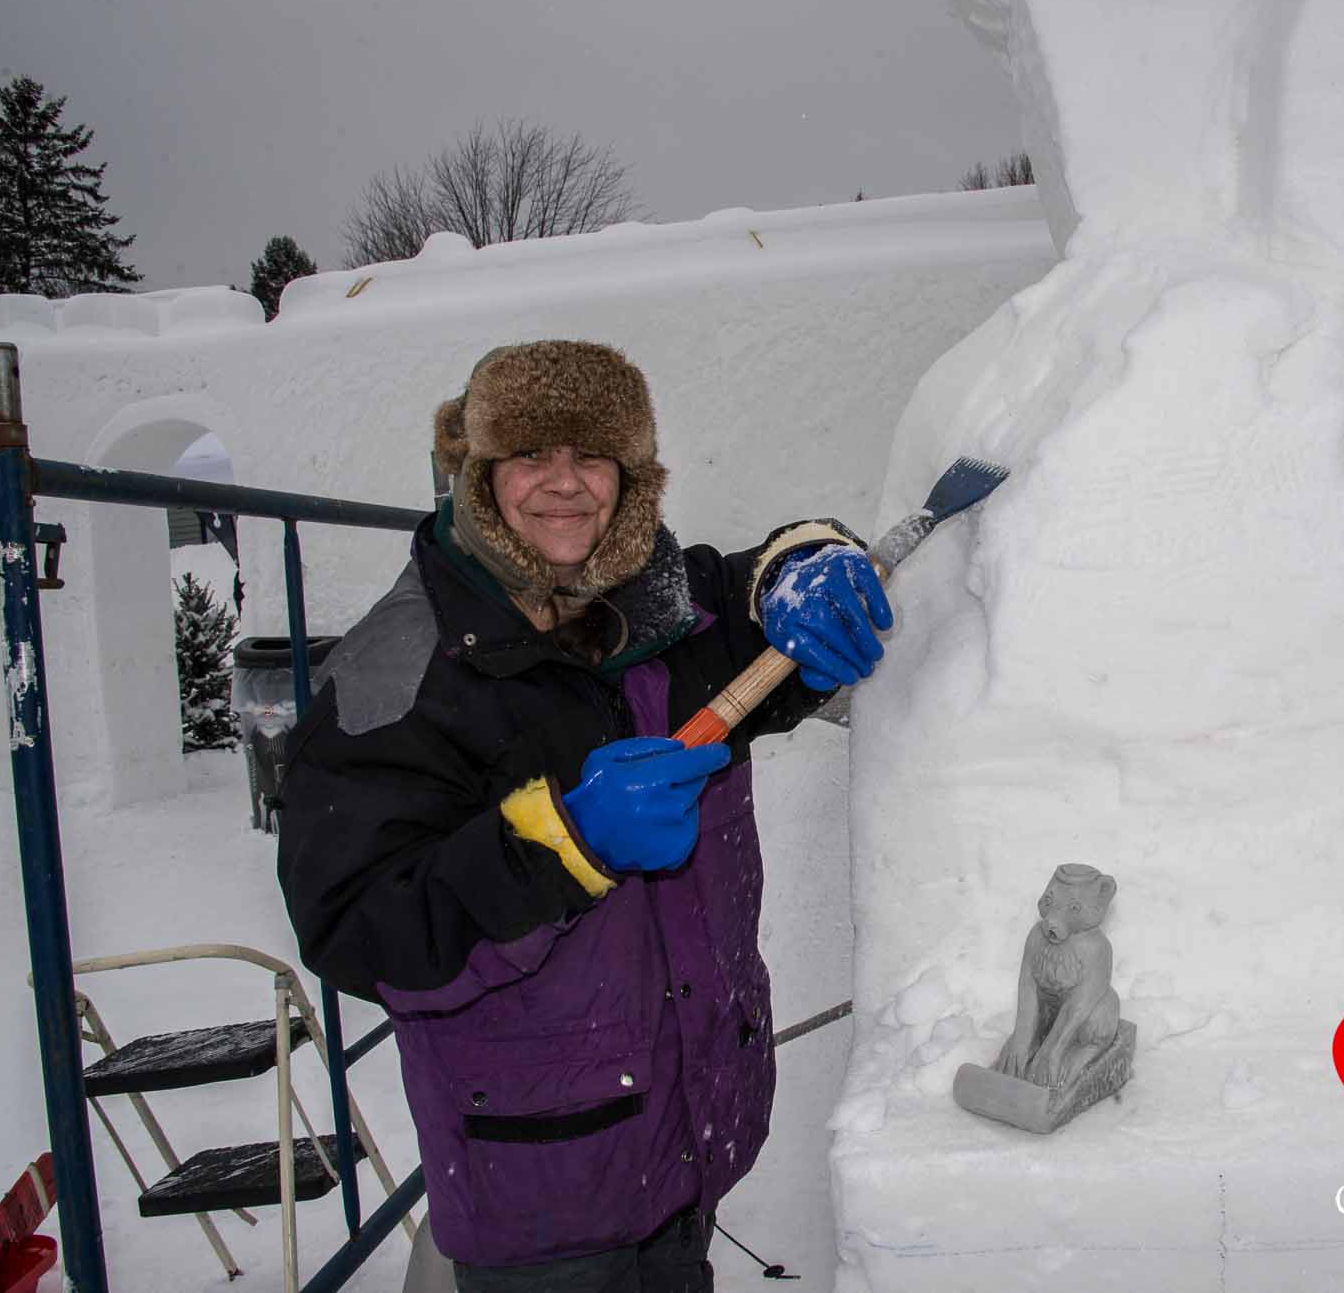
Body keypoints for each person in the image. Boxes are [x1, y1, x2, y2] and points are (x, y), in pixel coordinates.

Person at [275, 340, 892, 1291]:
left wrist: (803, 566)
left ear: (632, 478)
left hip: (684, 1149)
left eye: (593, 457)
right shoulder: (397, 672)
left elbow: (750, 583)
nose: (564, 484)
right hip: (541, 1193)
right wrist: (563, 844)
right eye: (530, 455)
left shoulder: (651, 603)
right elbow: (359, 925)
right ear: (480, 476)